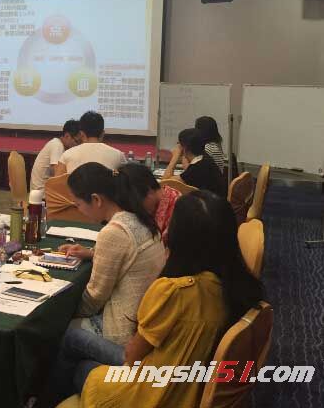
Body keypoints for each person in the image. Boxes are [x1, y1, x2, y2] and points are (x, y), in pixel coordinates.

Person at [74, 191, 264, 408]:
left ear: (177, 237)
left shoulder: (174, 291)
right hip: (190, 383)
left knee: (79, 359)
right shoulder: (236, 285)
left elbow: (132, 356)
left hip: (153, 394)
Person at [37, 163, 165, 407]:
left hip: (124, 335)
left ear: (96, 199)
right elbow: (129, 253)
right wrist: (92, 253)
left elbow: (94, 298)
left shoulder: (114, 232)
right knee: (80, 364)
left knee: (61, 332)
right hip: (142, 329)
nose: (79, 210)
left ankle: (46, 400)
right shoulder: (140, 218)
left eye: (78, 204)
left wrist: (60, 312)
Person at [121, 162, 181, 242]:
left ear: (149, 191)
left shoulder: (178, 208)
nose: (134, 210)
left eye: (136, 204)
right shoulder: (154, 203)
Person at [55, 112, 126, 176]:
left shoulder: (67, 155)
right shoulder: (118, 155)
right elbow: (122, 178)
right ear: (102, 134)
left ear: (81, 134)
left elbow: (56, 184)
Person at [163, 128, 225, 196]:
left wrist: (175, 156)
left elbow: (165, 183)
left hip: (209, 202)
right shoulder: (204, 159)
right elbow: (188, 170)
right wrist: (184, 153)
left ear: (184, 147)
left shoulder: (198, 167)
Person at [30, 120, 81, 197]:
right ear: (67, 136)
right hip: (42, 195)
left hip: (40, 192)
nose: (78, 145)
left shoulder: (57, 144)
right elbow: (57, 176)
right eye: (77, 141)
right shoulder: (57, 146)